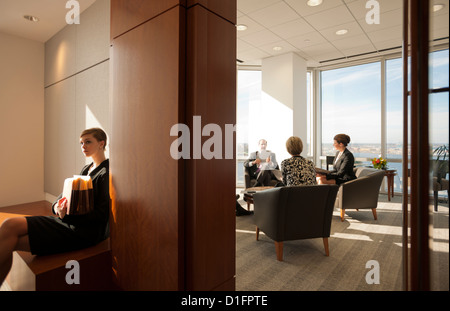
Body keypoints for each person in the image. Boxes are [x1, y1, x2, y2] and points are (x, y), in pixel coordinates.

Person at [0, 128, 110, 286]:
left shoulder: (106, 172)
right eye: (81, 143)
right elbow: (64, 196)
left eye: (88, 142)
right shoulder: (87, 169)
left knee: (10, 239)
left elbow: (102, 215)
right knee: (9, 226)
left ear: (101, 143)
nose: (83, 146)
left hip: (83, 232)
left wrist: (66, 215)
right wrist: (57, 206)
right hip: (71, 222)